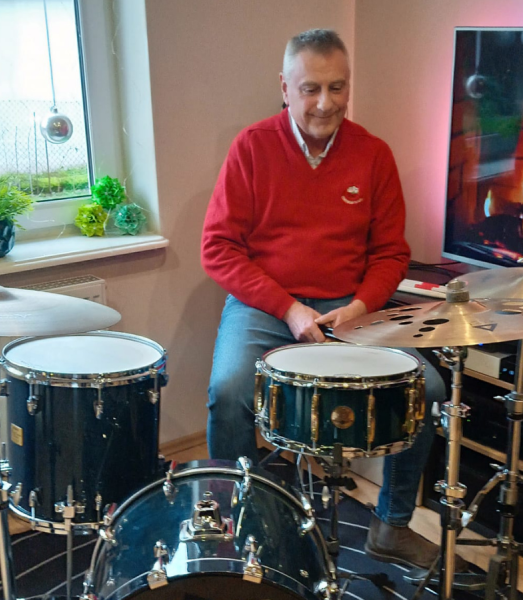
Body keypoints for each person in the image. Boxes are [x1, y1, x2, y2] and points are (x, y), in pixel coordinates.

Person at [201, 28, 465, 573]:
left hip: (351, 307)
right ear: (285, 87)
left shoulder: (373, 154)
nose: (325, 103)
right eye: (311, 89)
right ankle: (240, 525)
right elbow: (218, 249)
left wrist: (362, 306)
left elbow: (391, 253)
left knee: (430, 389)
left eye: (337, 87)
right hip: (266, 307)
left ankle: (391, 527)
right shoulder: (251, 147)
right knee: (228, 392)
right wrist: (288, 308)